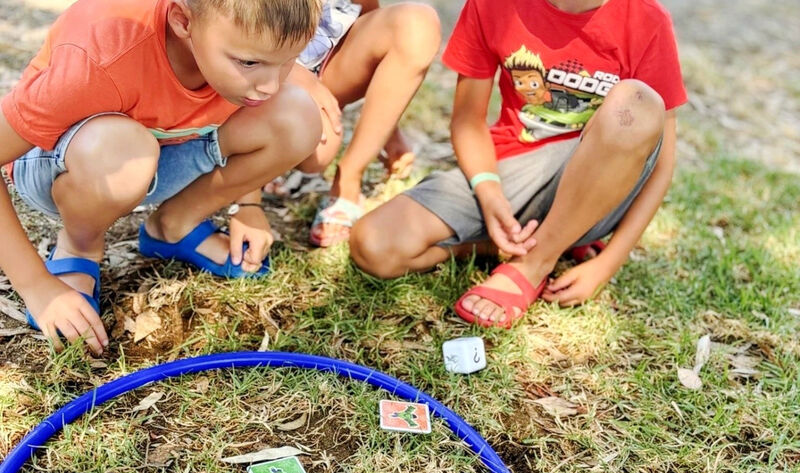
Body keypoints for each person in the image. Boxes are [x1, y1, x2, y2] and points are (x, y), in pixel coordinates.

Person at [0, 0, 323, 354]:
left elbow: (272, 84)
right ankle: (79, 246)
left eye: (289, 60)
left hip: (158, 147)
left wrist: (248, 204)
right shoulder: (102, 55)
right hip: (66, 162)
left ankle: (174, 225)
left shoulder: (236, 40)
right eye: (249, 63)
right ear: (183, 20)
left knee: (298, 116)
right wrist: (36, 286)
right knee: (122, 148)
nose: (270, 86)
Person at [349, 0, 688, 328]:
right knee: (374, 246)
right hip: (514, 171)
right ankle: (520, 243)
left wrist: (607, 264)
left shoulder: (646, 19)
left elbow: (662, 164)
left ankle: (533, 263)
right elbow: (468, 121)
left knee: (636, 101)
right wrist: (488, 191)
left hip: (600, 186)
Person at [239, 0, 441, 247]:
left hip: (321, 61)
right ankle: (256, 152)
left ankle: (348, 178)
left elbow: (366, 12)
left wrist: (388, 128)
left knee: (417, 24)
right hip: (256, 57)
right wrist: (296, 75)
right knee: (315, 148)